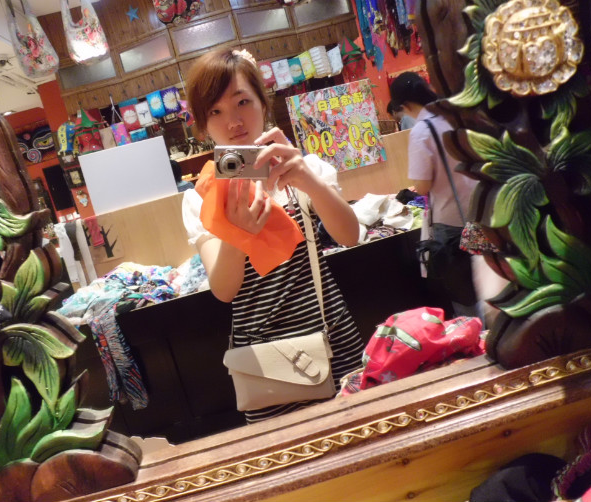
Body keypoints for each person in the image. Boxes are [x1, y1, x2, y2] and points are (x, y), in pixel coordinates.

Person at [181, 48, 364, 423]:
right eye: (215, 111)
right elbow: (224, 289)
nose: (233, 121)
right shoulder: (200, 196)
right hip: (264, 366)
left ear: (263, 104)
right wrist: (237, 233)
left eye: (242, 102)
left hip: (332, 342)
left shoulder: (305, 168)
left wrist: (307, 180)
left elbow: (350, 236)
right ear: (203, 126)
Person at [389, 71, 480, 318]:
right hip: (479, 213)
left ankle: (477, 335)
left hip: (451, 223)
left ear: (405, 105)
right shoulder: (453, 115)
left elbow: (422, 185)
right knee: (486, 279)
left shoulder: (422, 131)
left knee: (465, 295)